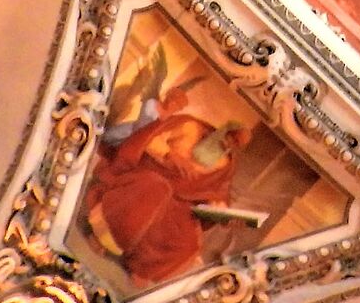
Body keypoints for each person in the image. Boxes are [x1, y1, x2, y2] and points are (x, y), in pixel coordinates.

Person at [83, 48, 256, 290]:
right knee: (156, 189)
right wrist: (171, 157)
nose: (226, 145)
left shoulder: (224, 164)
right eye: (228, 138)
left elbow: (215, 194)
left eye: (232, 146)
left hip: (179, 203)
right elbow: (149, 139)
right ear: (223, 129)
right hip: (146, 173)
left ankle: (142, 268)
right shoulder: (190, 127)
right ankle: (102, 237)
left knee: (190, 241)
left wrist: (222, 211)